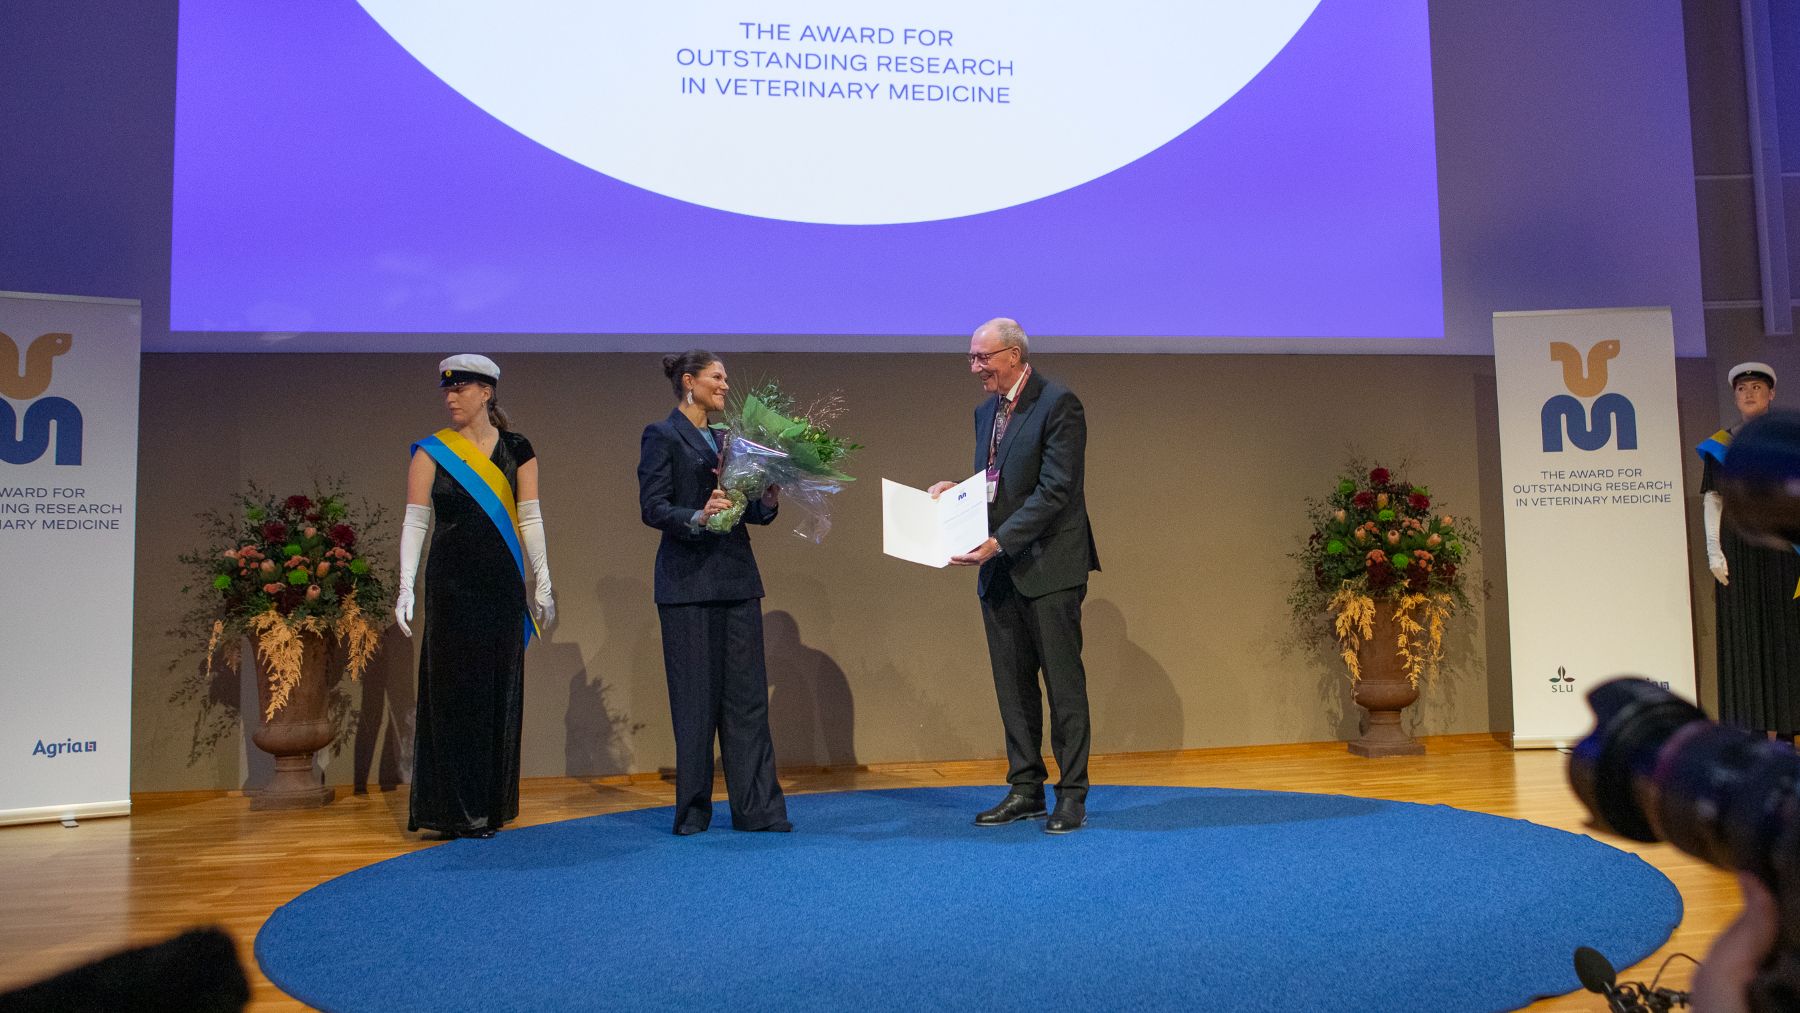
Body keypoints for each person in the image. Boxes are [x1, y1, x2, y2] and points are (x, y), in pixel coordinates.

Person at [929, 318, 1099, 834]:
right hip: (1001, 570)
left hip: (1049, 565)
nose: (976, 368)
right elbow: (996, 486)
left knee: (1063, 687)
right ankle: (1025, 788)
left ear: (1014, 355)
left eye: (983, 358)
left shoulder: (1059, 403)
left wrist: (1000, 540)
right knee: (1014, 687)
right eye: (971, 358)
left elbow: (1056, 491)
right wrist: (957, 491)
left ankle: (1071, 795)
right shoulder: (986, 411)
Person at [392, 354, 555, 839]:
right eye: (447, 390)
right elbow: (416, 521)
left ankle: (488, 806)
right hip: (451, 586)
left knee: (496, 691)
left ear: (486, 392)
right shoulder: (431, 452)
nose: (450, 398)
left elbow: (530, 517)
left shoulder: (518, 448)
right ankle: (451, 810)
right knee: (451, 694)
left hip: (501, 585)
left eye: (460, 389)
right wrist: (405, 585)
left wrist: (542, 578)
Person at [637, 350, 792, 835]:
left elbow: (746, 512)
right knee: (695, 701)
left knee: (747, 702)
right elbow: (654, 507)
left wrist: (766, 499)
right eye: (716, 377)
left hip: (737, 582)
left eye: (726, 378)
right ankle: (695, 811)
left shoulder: (729, 439)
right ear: (689, 382)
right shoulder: (661, 435)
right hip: (687, 587)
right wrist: (697, 516)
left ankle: (758, 810)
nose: (726, 385)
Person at [1698, 362, 1800, 739]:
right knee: (1746, 635)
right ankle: (1752, 731)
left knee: (1787, 635)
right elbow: (1713, 498)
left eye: (1757, 387)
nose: (1749, 393)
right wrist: (1714, 550)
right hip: (1740, 549)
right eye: (1742, 389)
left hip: (1786, 547)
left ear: (1771, 393)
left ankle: (1790, 730)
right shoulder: (1722, 445)